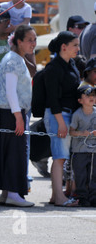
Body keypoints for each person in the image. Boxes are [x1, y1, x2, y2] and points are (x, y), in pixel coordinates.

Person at [0, 25, 36, 207]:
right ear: (19, 41)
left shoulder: (16, 58)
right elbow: (10, 91)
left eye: (34, 39)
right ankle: (14, 193)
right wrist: (18, 117)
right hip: (11, 112)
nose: (33, 43)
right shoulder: (13, 60)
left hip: (12, 112)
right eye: (29, 40)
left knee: (11, 152)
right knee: (16, 153)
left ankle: (8, 193)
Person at [43, 31, 81, 207]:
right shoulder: (53, 68)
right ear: (63, 47)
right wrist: (60, 123)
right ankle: (59, 197)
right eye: (75, 45)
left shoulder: (71, 64)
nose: (78, 48)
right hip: (58, 115)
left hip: (68, 115)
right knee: (59, 157)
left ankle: (56, 195)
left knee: (62, 157)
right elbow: (51, 99)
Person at [69, 85, 96, 207]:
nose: (92, 98)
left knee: (93, 174)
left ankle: (93, 197)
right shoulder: (77, 115)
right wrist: (81, 133)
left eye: (94, 95)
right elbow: (71, 131)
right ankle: (82, 197)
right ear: (80, 100)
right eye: (88, 95)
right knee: (81, 175)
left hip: (94, 151)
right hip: (79, 150)